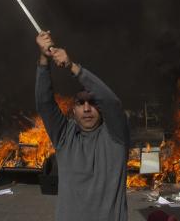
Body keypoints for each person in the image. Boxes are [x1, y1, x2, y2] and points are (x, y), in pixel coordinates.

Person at [35, 31, 130, 221]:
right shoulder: (64, 136)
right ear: (73, 110)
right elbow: (44, 103)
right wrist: (44, 60)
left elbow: (112, 103)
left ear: (101, 108)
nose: (87, 108)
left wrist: (73, 67)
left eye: (92, 102)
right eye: (80, 103)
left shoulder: (116, 136)